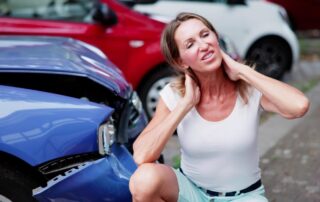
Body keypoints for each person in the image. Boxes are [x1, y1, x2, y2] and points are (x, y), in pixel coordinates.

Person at [129, 12, 310, 202]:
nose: (203, 45)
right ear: (181, 61)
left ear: (216, 37)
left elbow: (299, 106)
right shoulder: (174, 94)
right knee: (144, 180)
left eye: (205, 35)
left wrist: (242, 70)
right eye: (190, 44)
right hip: (191, 192)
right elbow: (141, 155)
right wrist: (184, 106)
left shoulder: (248, 86)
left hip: (244, 196)